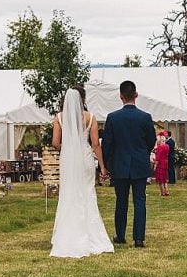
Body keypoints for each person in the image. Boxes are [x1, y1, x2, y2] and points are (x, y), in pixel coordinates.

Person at [49, 85, 114, 258]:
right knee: (87, 193)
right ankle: (91, 234)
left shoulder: (59, 118)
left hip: (69, 159)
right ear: (83, 99)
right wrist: (103, 166)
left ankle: (68, 234)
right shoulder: (90, 117)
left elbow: (55, 143)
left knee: (69, 194)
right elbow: (95, 144)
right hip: (85, 159)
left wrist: (69, 147)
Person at [101, 80, 156, 248]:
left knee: (121, 201)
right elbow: (151, 141)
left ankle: (120, 235)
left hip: (120, 164)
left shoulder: (112, 118)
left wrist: (108, 164)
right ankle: (138, 238)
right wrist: (142, 154)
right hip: (139, 163)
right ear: (136, 95)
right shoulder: (145, 117)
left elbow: (107, 144)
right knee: (140, 201)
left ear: (121, 96)